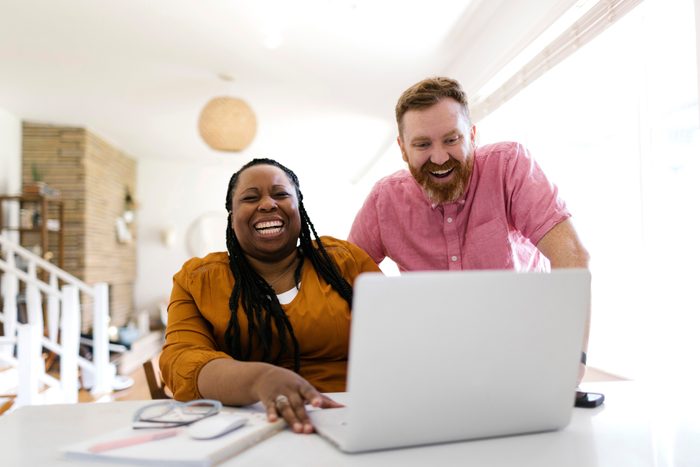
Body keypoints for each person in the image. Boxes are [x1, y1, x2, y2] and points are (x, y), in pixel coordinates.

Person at [348, 76, 590, 375]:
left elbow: (571, 256)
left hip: (523, 356)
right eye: (423, 144)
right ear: (402, 148)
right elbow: (341, 281)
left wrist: (571, 362)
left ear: (472, 134)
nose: (439, 157)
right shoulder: (384, 200)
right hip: (433, 367)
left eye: (451, 140)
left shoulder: (508, 166)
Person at [161, 158, 381, 434]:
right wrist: (258, 379)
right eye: (250, 198)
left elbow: (395, 340)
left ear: (298, 206)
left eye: (280, 194)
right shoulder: (197, 279)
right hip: (247, 424)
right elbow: (181, 362)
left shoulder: (345, 262)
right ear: (231, 215)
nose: (267, 204)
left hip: (350, 417)